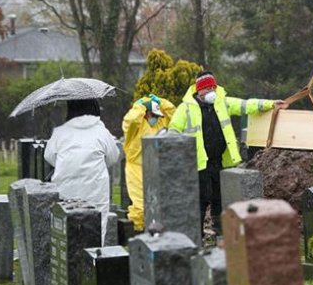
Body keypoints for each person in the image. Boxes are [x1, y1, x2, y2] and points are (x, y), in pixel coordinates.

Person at [169, 71, 286, 236]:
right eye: (208, 88)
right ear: (199, 90)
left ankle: (220, 232)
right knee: (200, 200)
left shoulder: (222, 103)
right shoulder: (185, 108)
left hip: (220, 161)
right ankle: (196, 235)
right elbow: (173, 132)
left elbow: (245, 105)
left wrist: (270, 104)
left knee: (219, 198)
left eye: (213, 87)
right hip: (198, 164)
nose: (212, 91)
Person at [44, 98, 120, 244]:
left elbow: (49, 157)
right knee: (97, 229)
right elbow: (113, 157)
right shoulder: (101, 131)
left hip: (66, 189)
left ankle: (68, 264)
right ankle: (92, 263)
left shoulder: (60, 132)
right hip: (95, 190)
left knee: (67, 230)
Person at [122, 93, 176, 232]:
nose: (156, 118)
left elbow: (174, 115)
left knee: (159, 203)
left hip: (156, 167)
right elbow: (131, 120)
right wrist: (139, 106)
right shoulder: (135, 128)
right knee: (140, 205)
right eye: (153, 115)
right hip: (136, 167)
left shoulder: (160, 122)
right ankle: (137, 233)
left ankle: (155, 232)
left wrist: (162, 102)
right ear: (146, 114)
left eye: (158, 115)